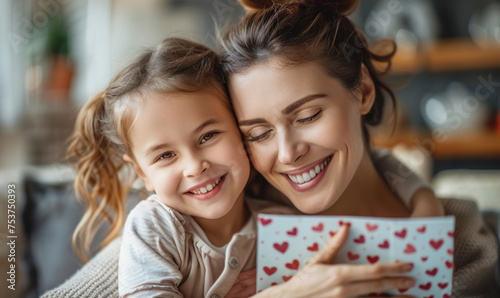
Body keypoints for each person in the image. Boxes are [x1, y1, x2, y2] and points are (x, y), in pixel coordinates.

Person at [58, 35, 444, 297]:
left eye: (209, 136)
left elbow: (379, 164)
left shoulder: (278, 217)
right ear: (141, 173)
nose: (195, 166)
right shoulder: (155, 227)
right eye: (165, 156)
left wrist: (423, 198)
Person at [220, 0, 500, 296]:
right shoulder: (230, 256)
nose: (288, 153)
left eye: (308, 116)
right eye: (259, 134)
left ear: (363, 91)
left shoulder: (471, 238)